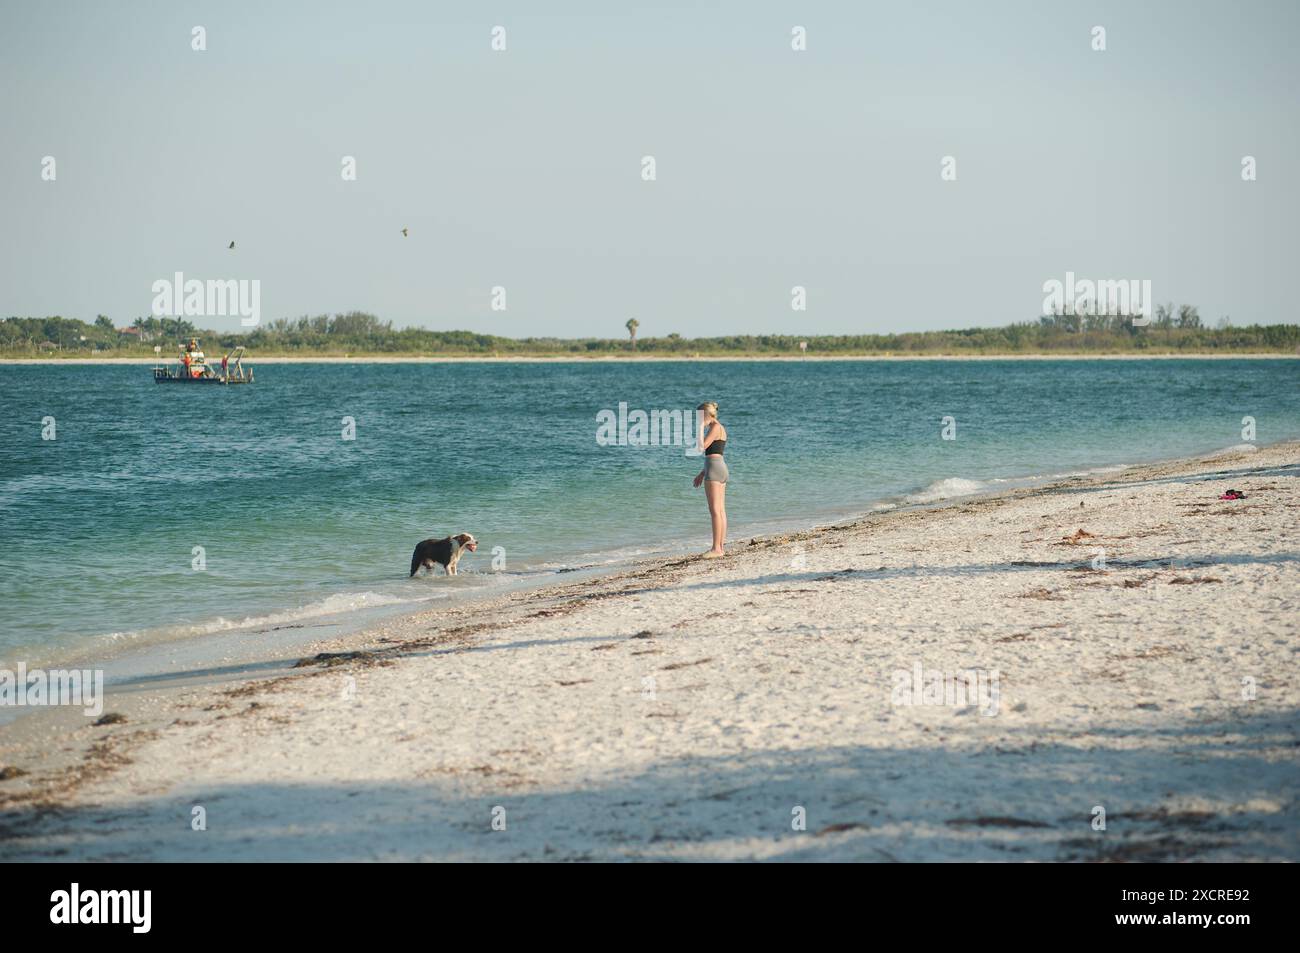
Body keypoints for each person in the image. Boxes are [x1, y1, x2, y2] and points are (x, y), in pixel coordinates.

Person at [691, 401, 728, 557]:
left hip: (714, 470)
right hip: (718, 468)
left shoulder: (715, 428)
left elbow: (701, 448)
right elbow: (715, 454)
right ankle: (720, 547)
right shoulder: (719, 428)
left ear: (707, 415)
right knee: (720, 511)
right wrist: (702, 473)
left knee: (715, 511)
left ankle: (716, 549)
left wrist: (699, 428)